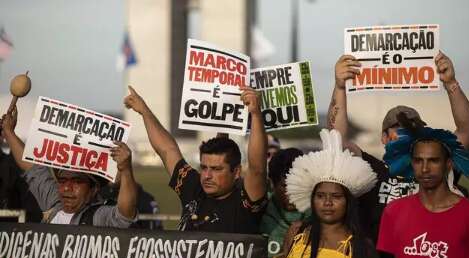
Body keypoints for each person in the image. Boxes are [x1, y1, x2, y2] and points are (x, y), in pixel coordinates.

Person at [328, 51, 469, 258]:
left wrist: (450, 83)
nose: (407, 133)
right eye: (399, 128)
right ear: (384, 138)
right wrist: (339, 87)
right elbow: (335, 141)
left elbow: (467, 132)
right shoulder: (371, 171)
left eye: (414, 128)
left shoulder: (435, 171)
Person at [124, 85, 268, 233]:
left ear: (236, 172)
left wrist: (256, 114)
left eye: (216, 169)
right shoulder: (195, 188)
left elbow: (258, 169)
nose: (207, 175)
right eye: (204, 167)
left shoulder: (245, 201)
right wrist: (144, 110)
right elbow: (167, 150)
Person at [377, 127, 469, 258]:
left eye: (433, 160)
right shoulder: (393, 212)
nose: (425, 169)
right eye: (418, 161)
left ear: (448, 164)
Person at [1, 107, 138, 227]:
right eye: (62, 181)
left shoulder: (97, 217)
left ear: (93, 189)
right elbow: (33, 168)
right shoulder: (55, 204)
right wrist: (9, 132)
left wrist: (126, 170)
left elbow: (125, 214)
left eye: (77, 182)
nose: (67, 188)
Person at [279, 129, 379, 258]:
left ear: (348, 201)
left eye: (336, 196)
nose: (327, 202)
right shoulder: (297, 233)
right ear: (312, 199)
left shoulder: (361, 247)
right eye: (320, 196)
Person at [260, 148, 307, 258]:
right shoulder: (259, 207)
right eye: (285, 186)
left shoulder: (320, 214)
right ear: (272, 183)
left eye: (297, 185)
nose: (292, 192)